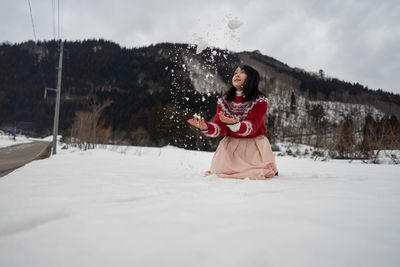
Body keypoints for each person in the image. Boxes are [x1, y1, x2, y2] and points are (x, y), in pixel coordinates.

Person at [187, 65, 278, 180]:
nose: (237, 75)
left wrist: (235, 125)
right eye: (235, 72)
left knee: (255, 174)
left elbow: (252, 126)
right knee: (220, 173)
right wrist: (206, 127)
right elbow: (220, 128)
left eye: (242, 72)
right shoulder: (224, 101)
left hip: (253, 148)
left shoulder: (259, 101)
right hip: (230, 150)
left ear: (252, 78)